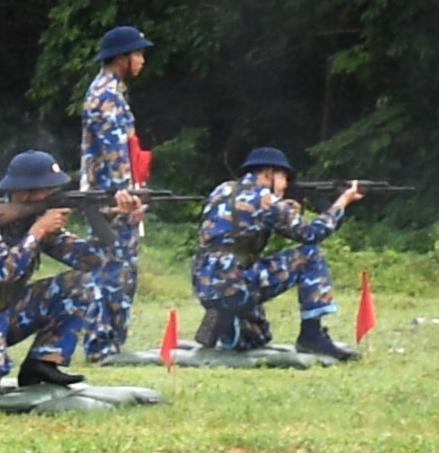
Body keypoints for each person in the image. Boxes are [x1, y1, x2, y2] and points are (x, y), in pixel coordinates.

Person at [191, 146, 366, 359]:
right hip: (234, 283)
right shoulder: (266, 199)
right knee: (310, 254)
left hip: (206, 283)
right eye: (284, 178)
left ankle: (226, 318)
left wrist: (282, 208)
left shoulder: (223, 189)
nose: (286, 186)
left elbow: (239, 224)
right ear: (268, 174)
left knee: (257, 338)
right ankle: (312, 335)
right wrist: (342, 202)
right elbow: (311, 234)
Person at [0, 153, 88, 390]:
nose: (55, 196)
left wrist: (119, 221)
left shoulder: (34, 218)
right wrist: (38, 230)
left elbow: (92, 261)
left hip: (12, 310)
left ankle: (43, 363)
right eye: (48, 190)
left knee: (85, 284)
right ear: (24, 192)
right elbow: (3, 271)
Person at [71, 24, 152, 364]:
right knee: (111, 271)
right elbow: (113, 150)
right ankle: (101, 347)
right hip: (109, 199)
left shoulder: (113, 92)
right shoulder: (105, 95)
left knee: (122, 271)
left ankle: (111, 346)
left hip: (114, 195)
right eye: (138, 53)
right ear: (122, 57)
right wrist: (125, 194)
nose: (142, 60)